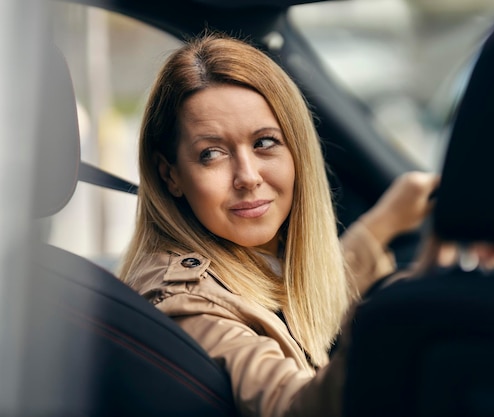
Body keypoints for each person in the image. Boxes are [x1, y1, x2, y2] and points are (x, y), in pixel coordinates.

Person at [118, 31, 438, 417]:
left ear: (297, 150)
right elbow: (291, 406)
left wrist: (382, 226)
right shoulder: (187, 302)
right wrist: (397, 312)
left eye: (265, 143)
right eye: (212, 153)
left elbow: (301, 299)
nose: (248, 176)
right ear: (170, 175)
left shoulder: (248, 255)